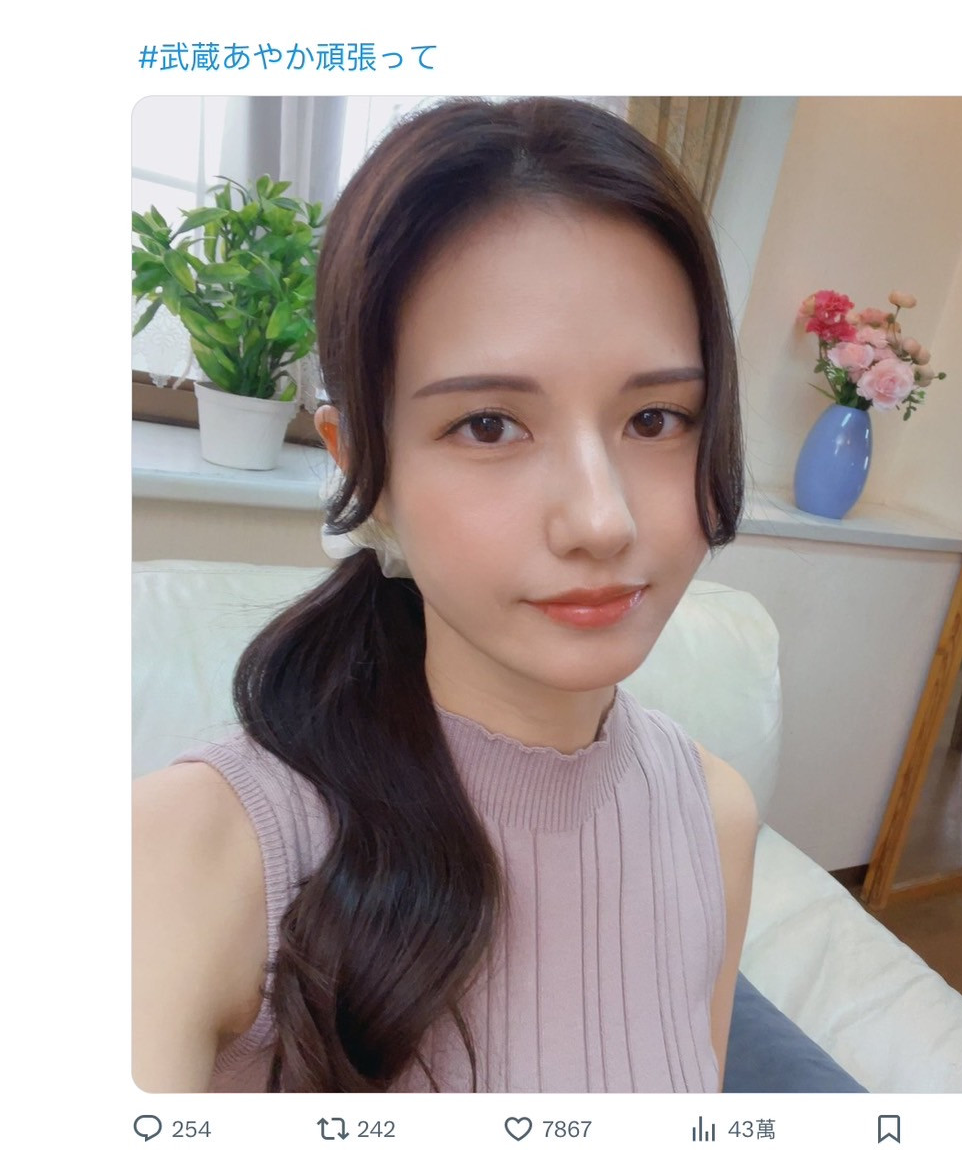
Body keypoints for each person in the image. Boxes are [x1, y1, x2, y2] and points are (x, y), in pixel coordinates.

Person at [133, 97, 760, 1094]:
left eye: (655, 418)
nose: (601, 521)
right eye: (488, 426)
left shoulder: (714, 817)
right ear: (362, 466)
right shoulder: (193, 851)